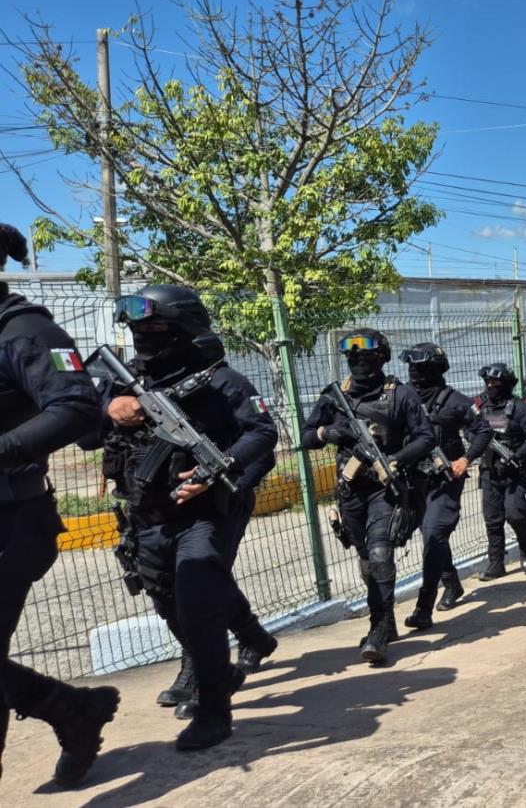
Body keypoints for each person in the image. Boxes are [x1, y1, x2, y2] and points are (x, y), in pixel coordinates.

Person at [102, 284, 279, 751]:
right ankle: (236, 651)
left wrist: (218, 470)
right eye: (137, 328)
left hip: (207, 509)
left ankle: (213, 710)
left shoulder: (222, 381)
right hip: (147, 513)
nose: (143, 336)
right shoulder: (123, 377)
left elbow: (262, 432)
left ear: (182, 327)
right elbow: (79, 424)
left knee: (198, 595)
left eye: (154, 326)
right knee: (167, 600)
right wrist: (109, 408)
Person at [0, 223, 119, 786]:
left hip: (11, 521)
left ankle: (71, 711)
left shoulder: (25, 331)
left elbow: (76, 409)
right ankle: (71, 709)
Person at [302, 329, 434, 665]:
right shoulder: (334, 396)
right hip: (350, 489)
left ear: (382, 357)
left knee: (380, 554)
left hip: (385, 488)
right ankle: (387, 618)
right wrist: (329, 432)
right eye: (352, 354)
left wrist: (395, 460)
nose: (358, 360)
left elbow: (425, 437)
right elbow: (306, 435)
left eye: (367, 354)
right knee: (365, 559)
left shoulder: (400, 395)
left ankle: (377, 628)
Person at [401, 343, 490, 631]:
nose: (415, 373)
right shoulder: (401, 397)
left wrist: (466, 458)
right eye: (412, 367)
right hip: (411, 479)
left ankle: (424, 607)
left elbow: (483, 431)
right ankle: (451, 582)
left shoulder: (456, 401)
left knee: (433, 533)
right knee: (431, 538)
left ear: (437, 369)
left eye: (421, 368)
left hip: (445, 478)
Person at [474, 362, 526, 579]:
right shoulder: (481, 407)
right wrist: (474, 439)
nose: (490, 385)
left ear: (506, 384)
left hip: (515, 472)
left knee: (515, 515)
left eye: (495, 382)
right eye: (487, 382)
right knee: (493, 519)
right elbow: (468, 429)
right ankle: (496, 563)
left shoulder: (520, 407)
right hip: (489, 471)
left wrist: (516, 456)